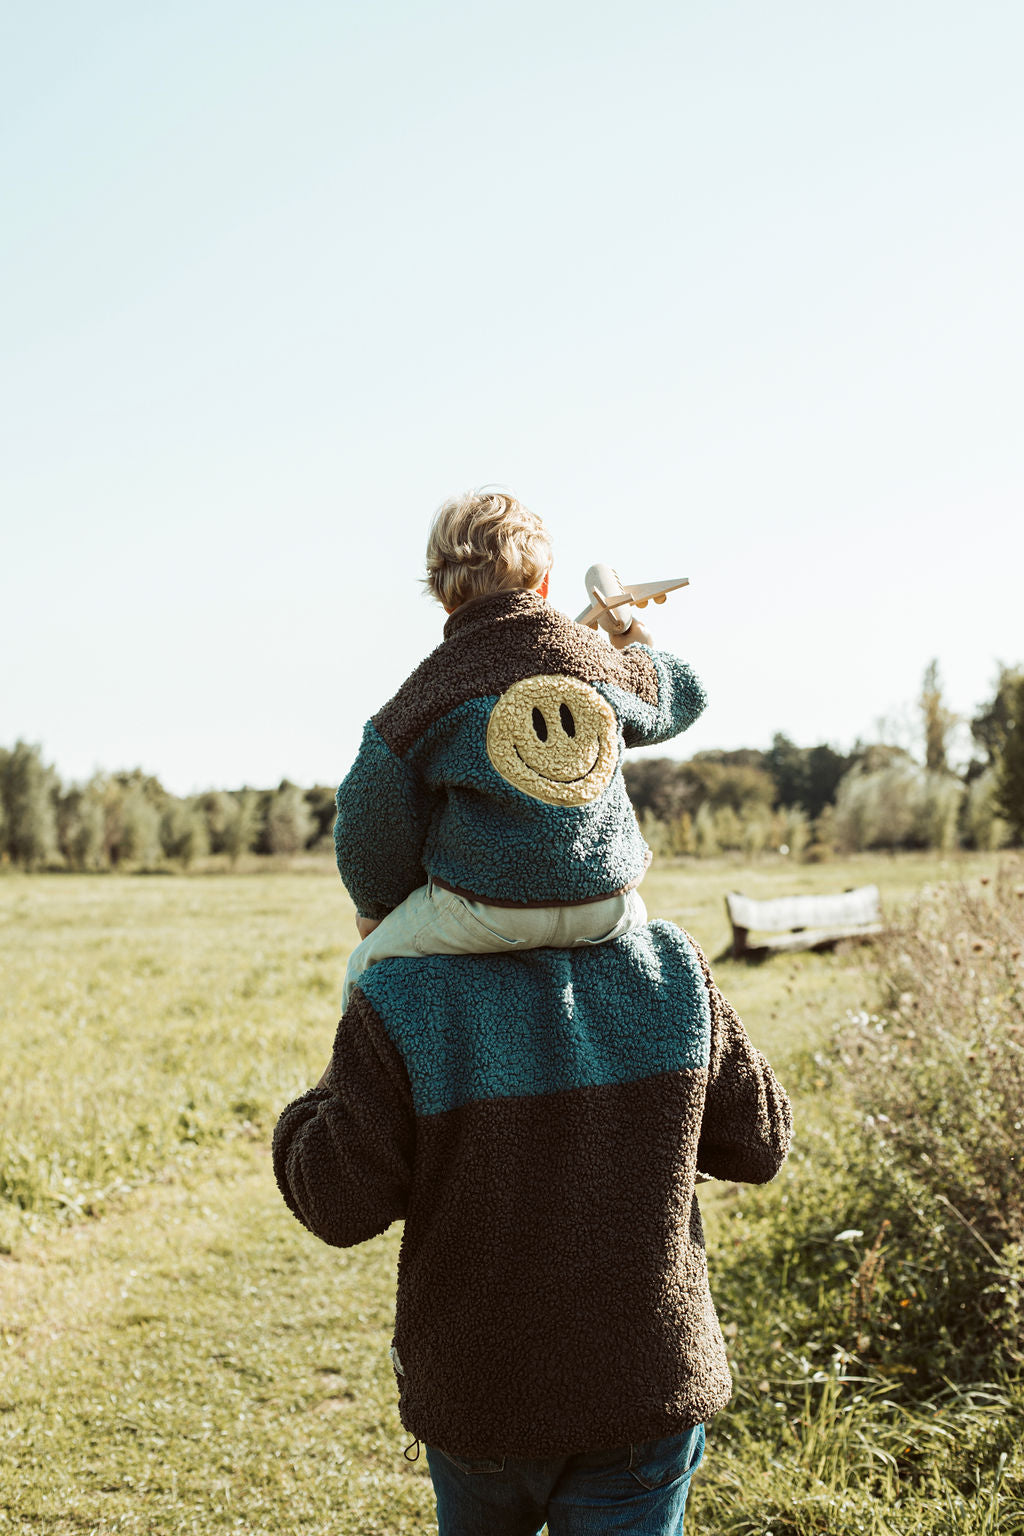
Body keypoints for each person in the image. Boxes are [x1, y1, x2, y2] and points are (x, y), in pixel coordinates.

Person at [273, 917, 793, 1534]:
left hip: (481, 1394)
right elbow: (761, 1140)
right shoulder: (670, 965)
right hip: (646, 1384)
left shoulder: (404, 994)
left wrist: (323, 1096)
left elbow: (335, 1202)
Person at [335, 487, 707, 1008]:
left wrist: (374, 909)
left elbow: (369, 813)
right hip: (610, 905)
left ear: (442, 595)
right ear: (545, 582)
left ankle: (351, 1090)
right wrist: (632, 635)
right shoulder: (591, 660)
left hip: (486, 909)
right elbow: (681, 693)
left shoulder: (430, 690)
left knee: (366, 966)